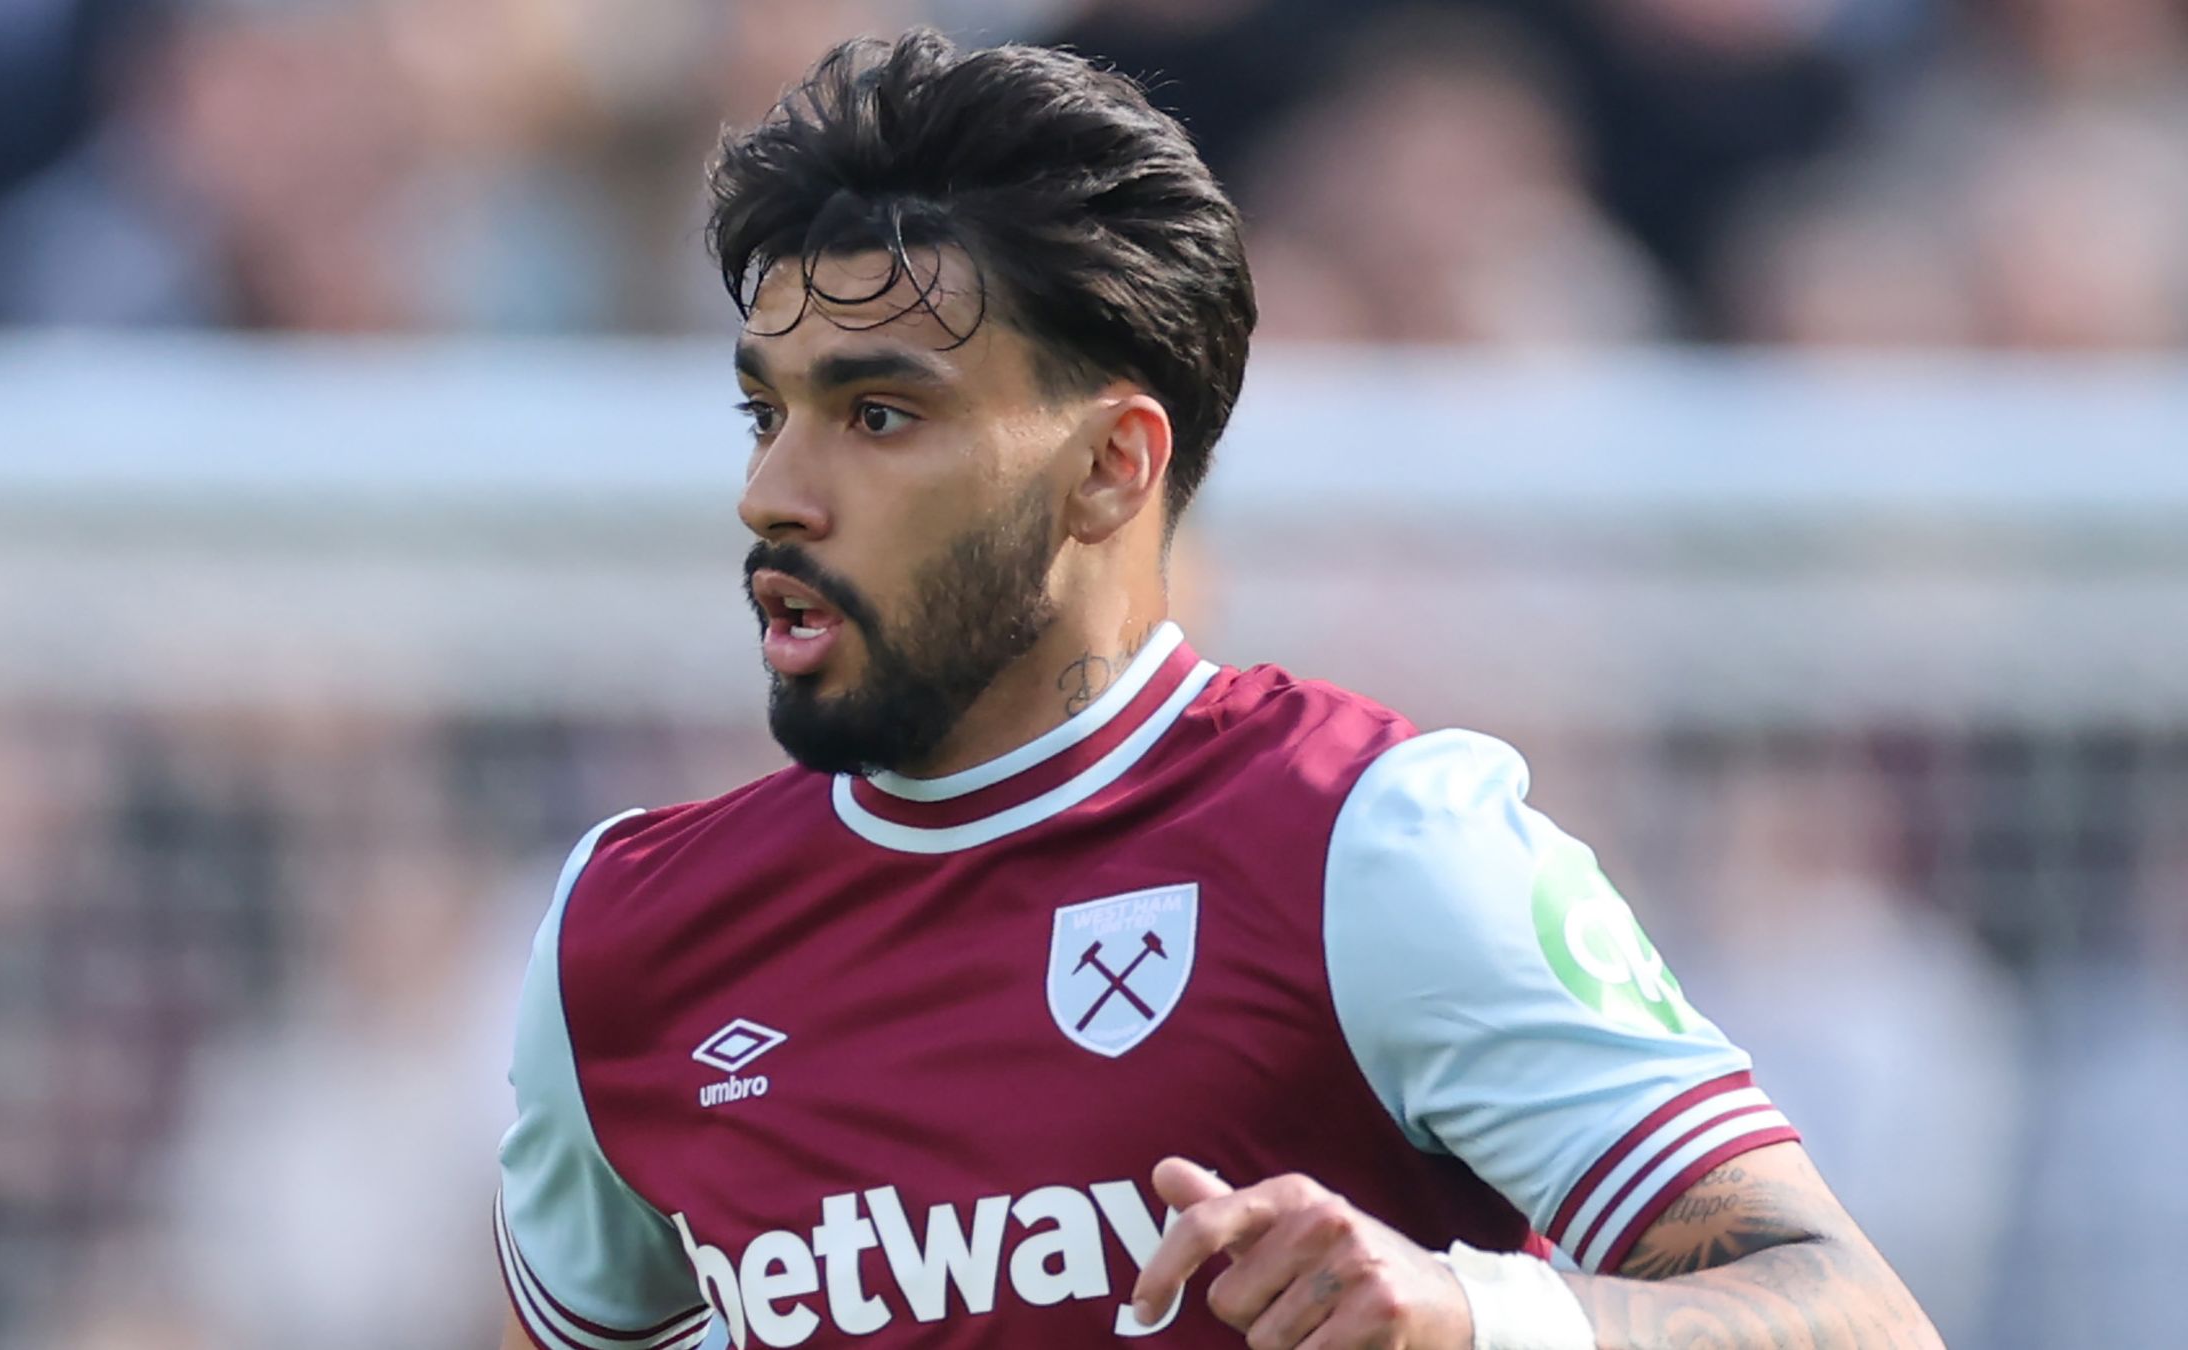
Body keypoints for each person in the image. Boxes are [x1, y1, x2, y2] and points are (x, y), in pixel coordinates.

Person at [492, 30, 1943, 1350]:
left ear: (1111, 466)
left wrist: (1476, 1315)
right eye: (766, 410)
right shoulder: (625, 941)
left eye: (878, 415)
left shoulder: (1373, 843)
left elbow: (1860, 1318)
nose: (773, 493)